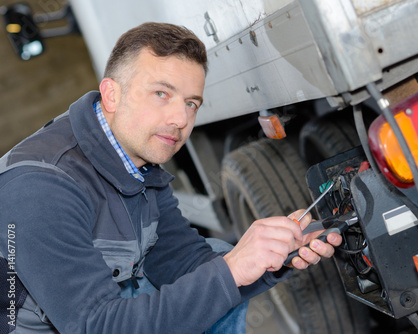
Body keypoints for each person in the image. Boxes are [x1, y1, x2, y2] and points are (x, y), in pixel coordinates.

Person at [0, 22, 342, 333]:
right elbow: (97, 325)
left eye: (192, 103)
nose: (181, 118)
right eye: (161, 93)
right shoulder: (40, 187)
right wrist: (233, 268)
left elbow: (182, 263)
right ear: (111, 94)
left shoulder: (138, 165)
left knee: (218, 257)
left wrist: (272, 257)